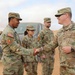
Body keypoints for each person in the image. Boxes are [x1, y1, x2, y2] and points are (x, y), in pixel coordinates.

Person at [41, 7, 75, 75]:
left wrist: (72, 48)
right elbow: (52, 44)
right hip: (63, 69)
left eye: (59, 15)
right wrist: (39, 50)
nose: (57, 18)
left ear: (66, 15)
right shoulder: (60, 32)